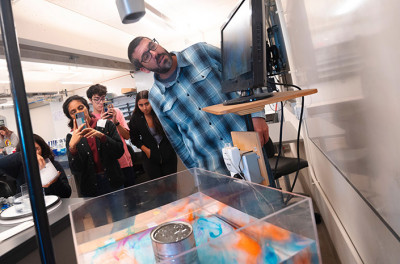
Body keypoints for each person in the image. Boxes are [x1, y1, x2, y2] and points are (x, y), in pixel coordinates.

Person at [127, 37, 271, 175]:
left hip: (250, 146)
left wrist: (257, 114)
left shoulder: (201, 52)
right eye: (146, 56)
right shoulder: (156, 97)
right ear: (144, 69)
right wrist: (199, 174)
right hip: (214, 169)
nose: (154, 53)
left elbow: (246, 70)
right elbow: (177, 141)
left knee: (268, 199)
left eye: (152, 46)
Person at [62, 95, 124, 197]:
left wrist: (101, 136)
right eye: (73, 112)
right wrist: (72, 147)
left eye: (81, 108)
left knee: (120, 212)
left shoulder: (105, 125)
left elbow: (119, 151)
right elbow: (76, 169)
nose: (78, 112)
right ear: (70, 117)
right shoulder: (71, 137)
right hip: (90, 186)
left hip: (113, 181)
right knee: (97, 213)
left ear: (87, 107)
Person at [87, 84, 136, 187]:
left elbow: (127, 136)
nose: (101, 102)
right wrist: (101, 123)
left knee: (133, 196)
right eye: (97, 99)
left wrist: (116, 122)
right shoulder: (91, 119)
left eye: (103, 98)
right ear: (90, 100)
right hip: (109, 166)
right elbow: (96, 144)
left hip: (124, 161)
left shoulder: (116, 112)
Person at [0, 134, 72, 198]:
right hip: (27, 208)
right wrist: (24, 155)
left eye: (36, 149)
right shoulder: (20, 167)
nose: (33, 153)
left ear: (42, 149)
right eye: (28, 150)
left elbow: (67, 194)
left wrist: (56, 182)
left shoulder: (53, 165)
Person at [129, 90, 177, 180]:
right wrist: (146, 150)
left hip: (168, 154)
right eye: (141, 105)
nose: (144, 108)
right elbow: (134, 138)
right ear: (137, 105)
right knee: (157, 187)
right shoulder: (136, 118)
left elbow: (172, 130)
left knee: (172, 184)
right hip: (150, 157)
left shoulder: (160, 113)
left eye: (147, 104)